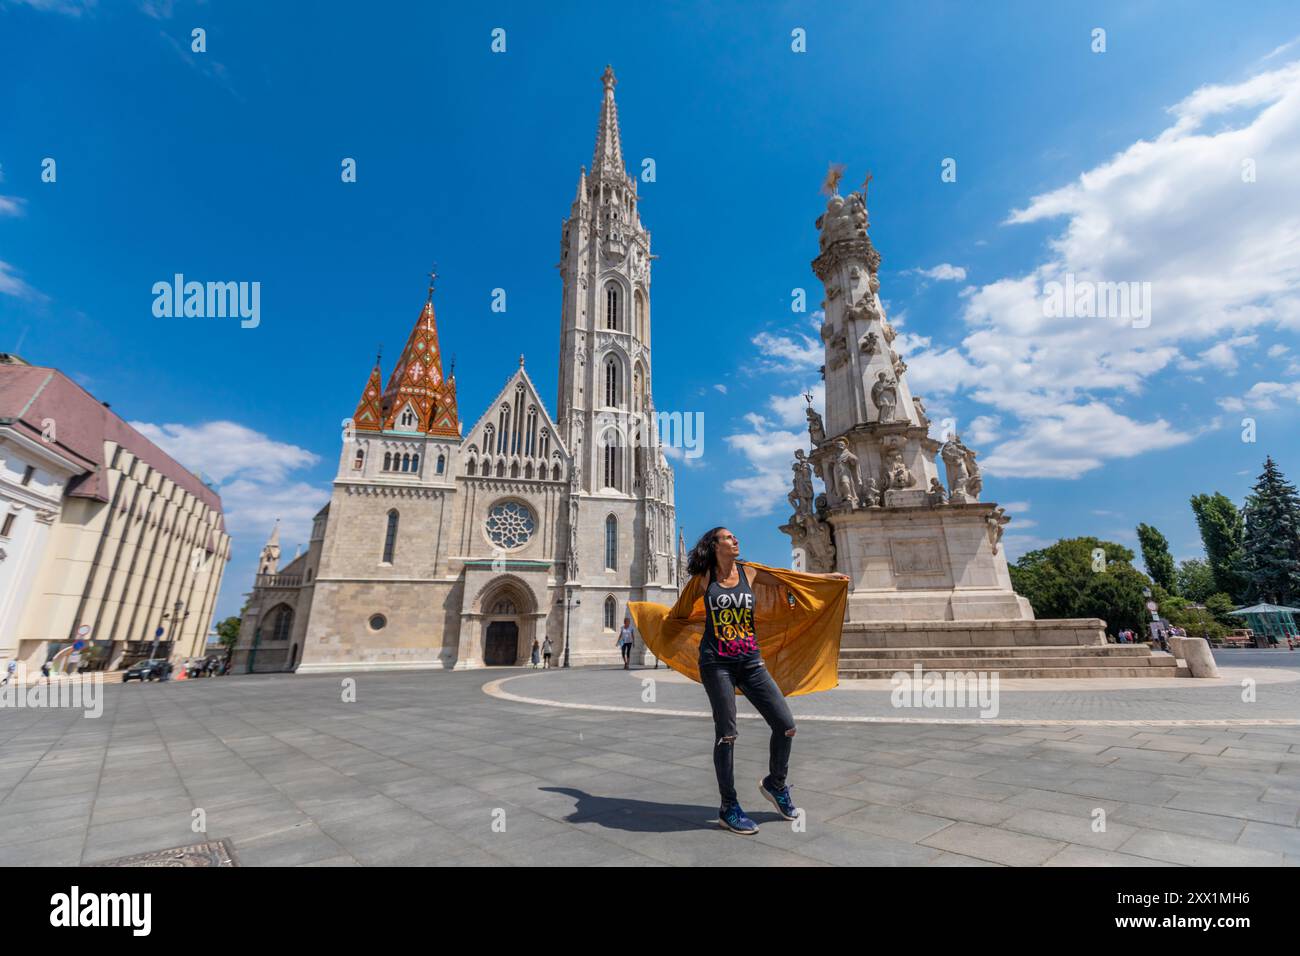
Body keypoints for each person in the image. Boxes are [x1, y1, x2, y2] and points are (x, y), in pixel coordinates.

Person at [630, 527, 848, 836]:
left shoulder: (751, 573)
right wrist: (663, 629)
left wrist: (827, 579)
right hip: (716, 663)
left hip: (751, 662)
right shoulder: (702, 580)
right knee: (727, 734)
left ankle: (775, 784)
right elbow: (680, 615)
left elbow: (789, 579)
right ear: (714, 546)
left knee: (786, 725)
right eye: (729, 538)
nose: (736, 540)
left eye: (735, 538)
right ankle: (728, 807)